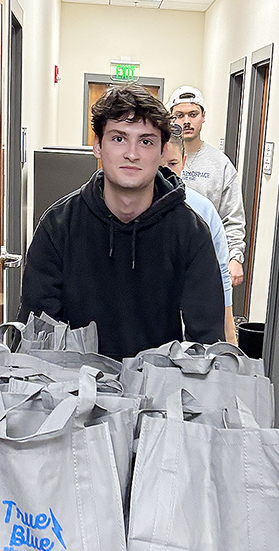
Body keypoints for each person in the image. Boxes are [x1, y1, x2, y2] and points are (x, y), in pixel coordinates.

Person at [19, 85, 224, 359]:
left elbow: (206, 345)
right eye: (118, 139)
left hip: (160, 392)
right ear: (97, 145)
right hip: (73, 391)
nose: (132, 153)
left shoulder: (191, 233)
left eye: (146, 141)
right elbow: (37, 342)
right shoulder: (58, 227)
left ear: (163, 152)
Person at [161, 127, 238, 347]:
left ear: (184, 162)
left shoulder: (202, 210)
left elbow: (221, 273)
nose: (165, 172)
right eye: (159, 165)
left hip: (188, 337)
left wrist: (230, 339)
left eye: (172, 164)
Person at [168, 85, 246, 289]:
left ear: (203, 116)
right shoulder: (157, 158)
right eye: (179, 115)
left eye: (193, 114)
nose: (186, 121)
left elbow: (233, 216)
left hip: (205, 261)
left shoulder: (220, 165)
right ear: (171, 119)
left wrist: (235, 257)